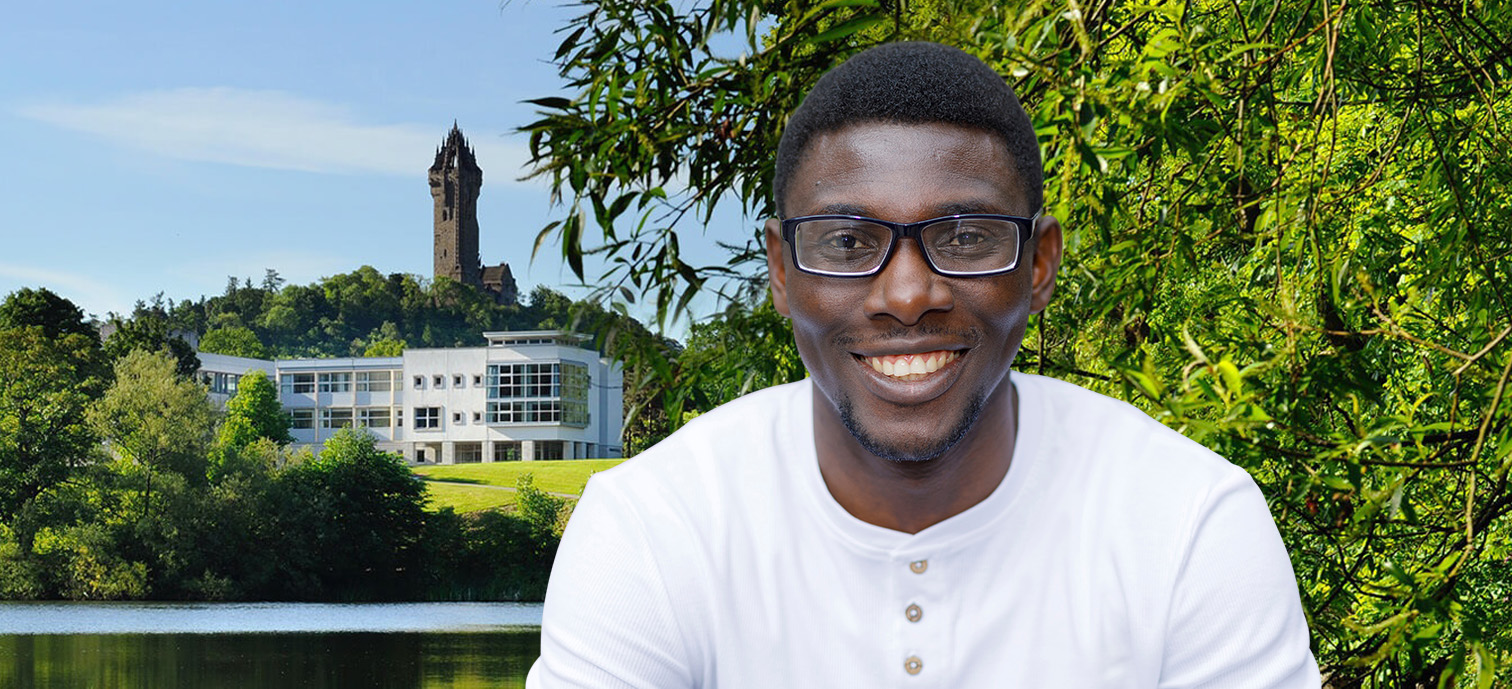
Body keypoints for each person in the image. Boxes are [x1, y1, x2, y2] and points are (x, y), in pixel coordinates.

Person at [527, 41, 1319, 688]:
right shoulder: (655, 529)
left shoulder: (1186, 522)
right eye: (847, 242)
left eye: (965, 235)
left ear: (1039, 263)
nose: (908, 294)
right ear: (780, 269)